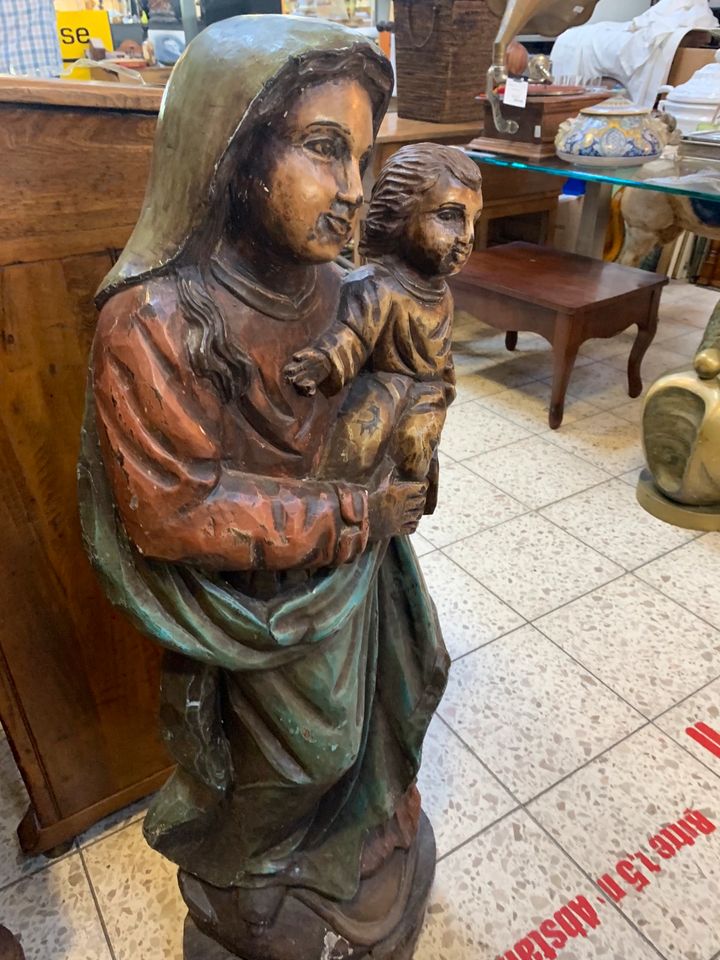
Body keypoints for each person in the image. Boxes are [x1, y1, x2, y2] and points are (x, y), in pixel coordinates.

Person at [79, 15, 448, 957]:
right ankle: (241, 866)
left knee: (410, 684)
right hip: (255, 601)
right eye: (327, 150)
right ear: (233, 149)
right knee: (310, 755)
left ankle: (357, 835)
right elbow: (173, 508)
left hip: (356, 567)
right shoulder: (158, 320)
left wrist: (413, 429)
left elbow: (395, 395)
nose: (354, 193)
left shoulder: (343, 287)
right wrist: (351, 512)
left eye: (365, 159)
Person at [284, 143, 483, 489]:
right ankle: (344, 510)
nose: (466, 236)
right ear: (399, 215)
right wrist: (323, 361)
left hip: (426, 396)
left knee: (416, 450)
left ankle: (395, 520)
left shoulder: (442, 294)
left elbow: (442, 361)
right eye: (449, 216)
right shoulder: (377, 285)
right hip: (380, 394)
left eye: (472, 220)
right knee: (360, 438)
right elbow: (350, 334)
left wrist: (442, 388)